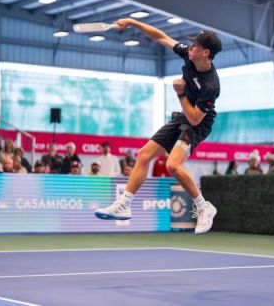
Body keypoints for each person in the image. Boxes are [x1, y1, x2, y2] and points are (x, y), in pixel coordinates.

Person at [95, 19, 222, 235]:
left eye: (195, 46)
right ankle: (124, 204)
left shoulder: (211, 86)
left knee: (173, 166)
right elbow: (160, 36)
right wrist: (132, 22)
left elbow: (194, 120)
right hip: (182, 115)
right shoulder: (188, 55)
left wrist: (180, 93)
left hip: (198, 123)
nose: (190, 47)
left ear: (205, 52)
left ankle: (204, 207)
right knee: (143, 154)